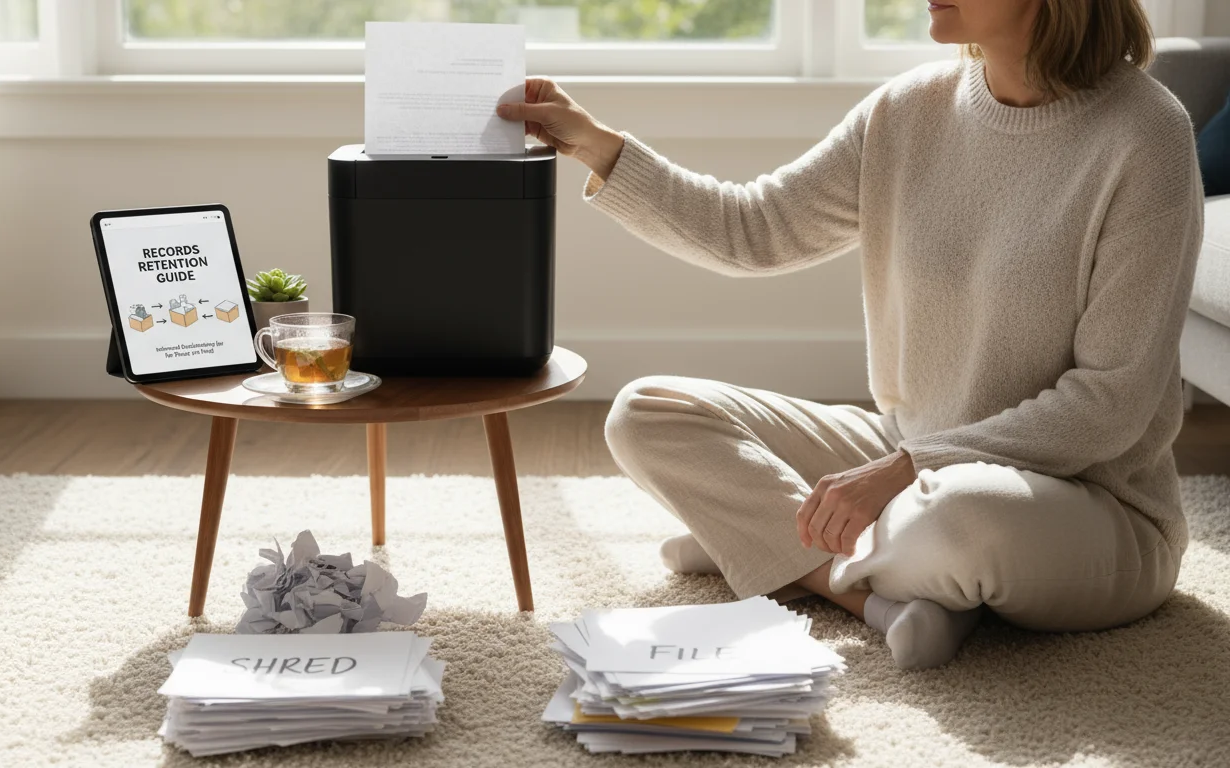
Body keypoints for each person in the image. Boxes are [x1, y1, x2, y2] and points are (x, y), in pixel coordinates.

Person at [497, 0, 1203, 669]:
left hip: (1080, 500)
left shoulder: (1145, 135)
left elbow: (1109, 404)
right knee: (647, 412)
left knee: (960, 520)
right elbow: (754, 229)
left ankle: (764, 542)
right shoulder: (908, 111)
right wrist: (595, 145)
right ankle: (866, 594)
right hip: (908, 457)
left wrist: (907, 469)